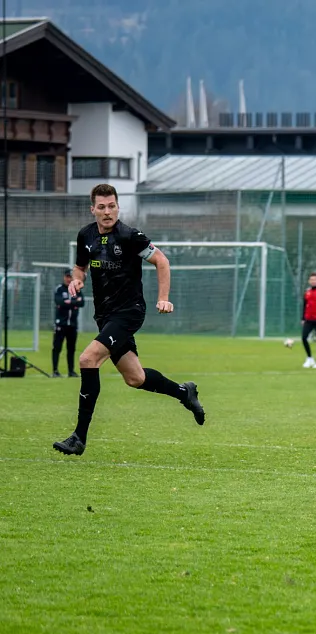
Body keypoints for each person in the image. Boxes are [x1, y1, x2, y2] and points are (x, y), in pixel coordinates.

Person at [52, 184, 204, 457]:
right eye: (102, 207)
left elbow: (162, 262)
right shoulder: (85, 235)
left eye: (111, 206)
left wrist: (164, 297)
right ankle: (184, 393)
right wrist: (77, 280)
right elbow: (79, 267)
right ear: (93, 209)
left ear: (118, 207)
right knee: (135, 378)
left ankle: (79, 437)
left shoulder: (131, 236)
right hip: (105, 315)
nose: (107, 212)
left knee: (88, 359)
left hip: (129, 312)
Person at [51, 269, 85, 378]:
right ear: (64, 277)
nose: (68, 279)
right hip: (61, 324)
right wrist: (74, 303)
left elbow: (82, 302)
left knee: (71, 349)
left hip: (73, 325)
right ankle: (55, 370)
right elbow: (59, 302)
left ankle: (71, 371)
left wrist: (69, 303)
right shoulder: (59, 289)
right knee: (57, 347)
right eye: (67, 276)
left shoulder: (77, 289)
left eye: (70, 277)